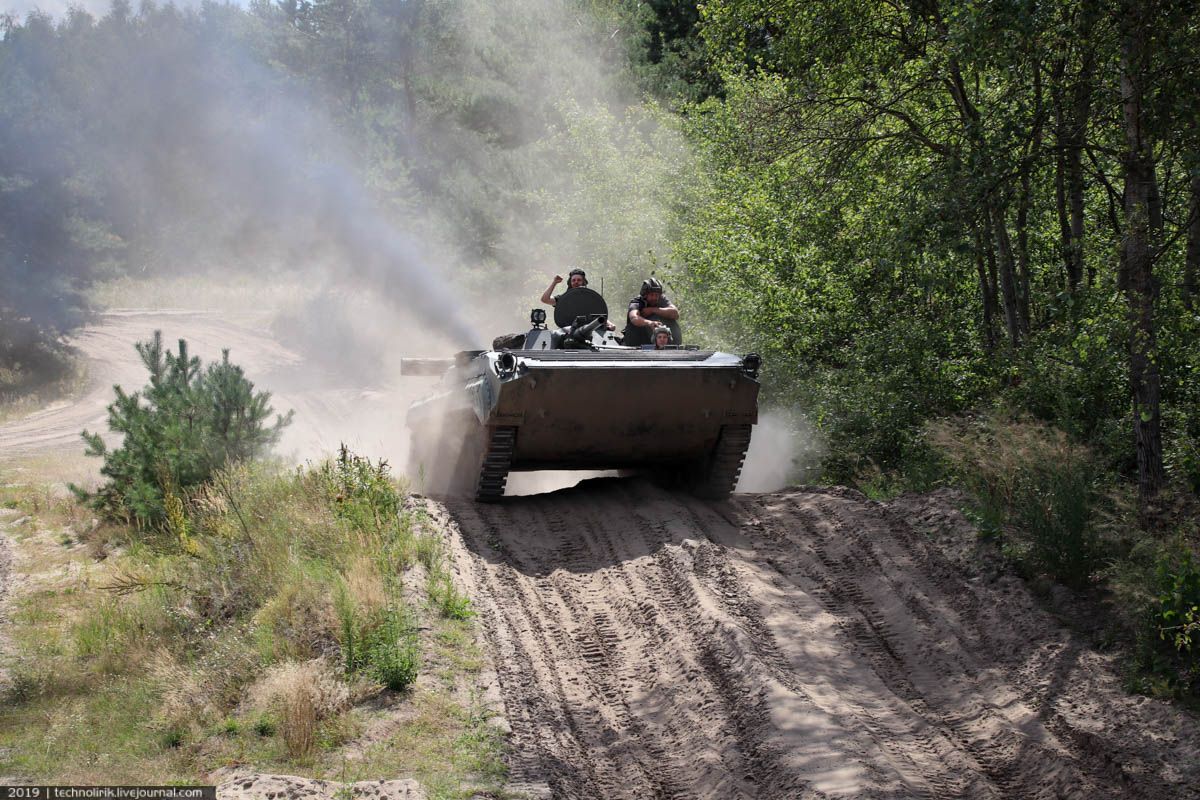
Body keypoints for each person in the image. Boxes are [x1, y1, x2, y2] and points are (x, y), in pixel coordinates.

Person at [623, 277, 679, 347]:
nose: (654, 298)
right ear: (645, 295)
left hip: (664, 344)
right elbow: (634, 318)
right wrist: (650, 323)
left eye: (656, 295)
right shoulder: (637, 302)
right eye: (652, 295)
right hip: (638, 342)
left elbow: (675, 313)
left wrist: (653, 310)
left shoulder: (662, 300)